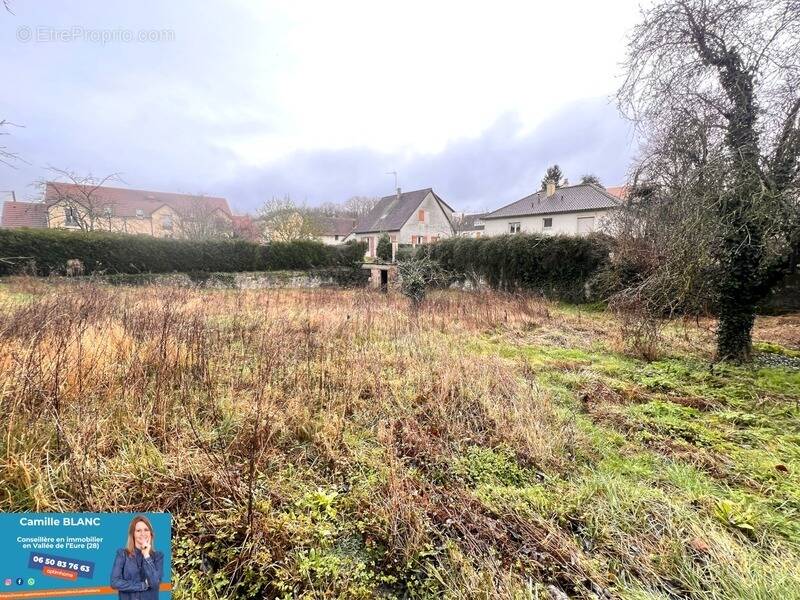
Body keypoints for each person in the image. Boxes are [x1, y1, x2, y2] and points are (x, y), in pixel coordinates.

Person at [110, 515, 163, 599]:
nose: (143, 534)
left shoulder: (158, 556)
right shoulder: (122, 554)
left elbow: (155, 583)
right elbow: (114, 582)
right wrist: (142, 585)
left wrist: (146, 555)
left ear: (151, 533)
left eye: (146, 530)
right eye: (138, 530)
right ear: (133, 534)